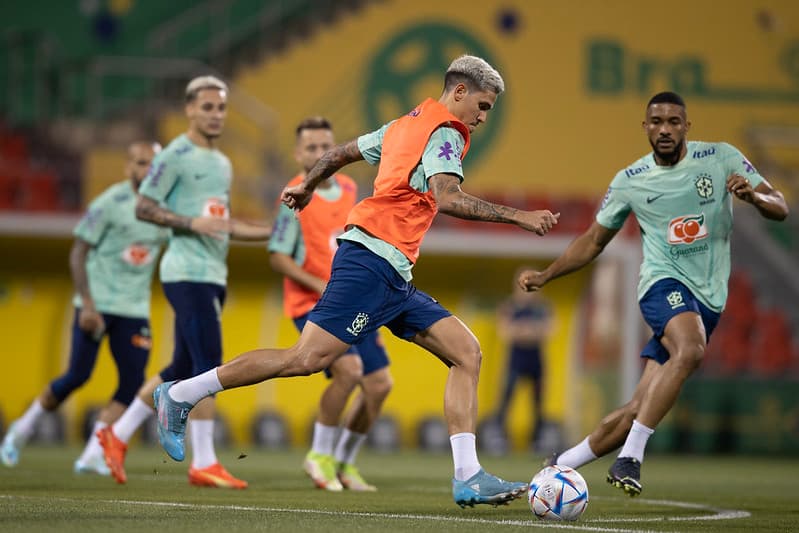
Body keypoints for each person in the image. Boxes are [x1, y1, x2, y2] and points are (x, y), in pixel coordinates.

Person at [151, 55, 560, 507]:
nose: (481, 118)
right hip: (370, 261)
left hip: (394, 272)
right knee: (304, 359)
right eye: (482, 106)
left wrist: (307, 185)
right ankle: (182, 393)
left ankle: (468, 475)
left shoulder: (404, 123)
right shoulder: (446, 130)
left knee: (467, 352)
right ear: (459, 92)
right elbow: (447, 196)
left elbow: (336, 154)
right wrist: (518, 216)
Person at [519, 91, 789, 497]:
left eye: (673, 122)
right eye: (657, 121)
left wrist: (753, 196)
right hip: (662, 285)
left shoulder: (721, 159)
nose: (665, 129)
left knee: (635, 410)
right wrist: (547, 275)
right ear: (645, 127)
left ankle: (558, 467)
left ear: (686, 126)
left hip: (709, 300)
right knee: (692, 349)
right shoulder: (630, 180)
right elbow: (593, 241)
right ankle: (631, 457)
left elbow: (780, 205)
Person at [96, 75, 271, 489]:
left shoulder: (223, 163)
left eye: (221, 108)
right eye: (207, 107)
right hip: (186, 271)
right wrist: (190, 222)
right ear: (189, 109)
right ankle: (204, 461)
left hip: (213, 274)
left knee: (181, 367)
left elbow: (222, 224)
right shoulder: (174, 155)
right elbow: (144, 206)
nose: (215, 114)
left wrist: (276, 228)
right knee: (209, 366)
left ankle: (116, 434)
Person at [1, 141, 168, 474]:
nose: (146, 169)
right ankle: (21, 430)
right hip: (98, 304)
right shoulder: (110, 202)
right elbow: (78, 252)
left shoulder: (166, 209)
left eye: (153, 164)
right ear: (128, 166)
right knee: (77, 375)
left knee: (132, 383)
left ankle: (93, 452)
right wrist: (88, 305)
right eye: (140, 163)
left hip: (134, 309)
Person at [270, 116, 393, 492]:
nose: (320, 152)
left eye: (326, 145)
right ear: (297, 154)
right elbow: (278, 256)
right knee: (349, 370)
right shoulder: (293, 194)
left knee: (379, 385)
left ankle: (344, 462)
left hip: (354, 301)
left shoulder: (349, 187)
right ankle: (319, 455)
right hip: (312, 304)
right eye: (310, 147)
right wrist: (322, 284)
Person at [493, 270, 553, 449]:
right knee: (506, 399)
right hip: (516, 359)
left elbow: (549, 330)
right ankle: (498, 437)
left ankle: (537, 439)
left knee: (538, 403)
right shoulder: (509, 307)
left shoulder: (542, 308)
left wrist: (522, 330)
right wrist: (530, 331)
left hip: (536, 360)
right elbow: (505, 332)